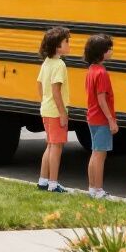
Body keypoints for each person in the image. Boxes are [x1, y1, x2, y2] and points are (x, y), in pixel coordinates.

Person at [37, 26, 71, 193]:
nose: (69, 44)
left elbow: (39, 84)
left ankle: (43, 180)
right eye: (66, 41)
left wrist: (44, 100)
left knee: (50, 145)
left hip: (46, 109)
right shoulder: (59, 65)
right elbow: (56, 90)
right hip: (56, 112)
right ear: (58, 46)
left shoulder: (46, 63)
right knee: (56, 147)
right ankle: (53, 183)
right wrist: (63, 113)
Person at [84, 33, 118, 199]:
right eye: (109, 48)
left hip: (92, 116)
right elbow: (101, 98)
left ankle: (92, 188)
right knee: (100, 155)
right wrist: (111, 119)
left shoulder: (91, 70)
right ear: (101, 52)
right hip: (101, 118)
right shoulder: (102, 73)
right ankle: (98, 190)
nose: (111, 51)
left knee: (95, 153)